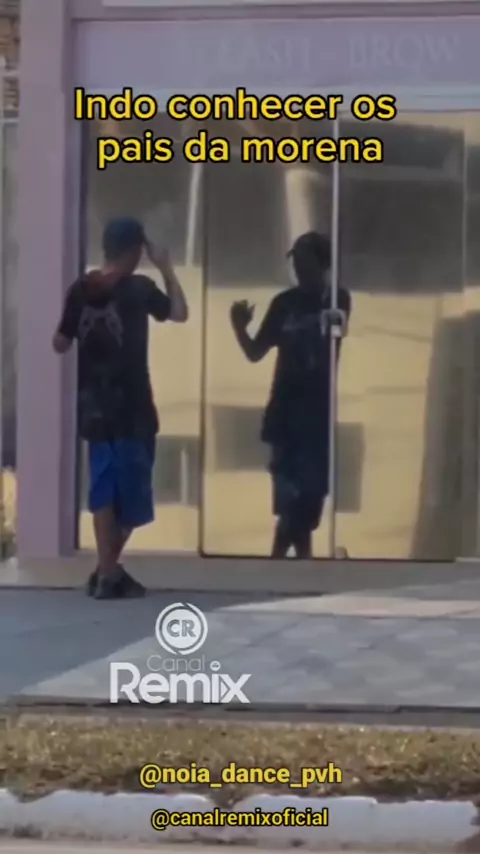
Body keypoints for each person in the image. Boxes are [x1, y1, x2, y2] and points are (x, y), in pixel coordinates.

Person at [53, 217, 188, 598]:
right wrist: (166, 267)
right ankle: (108, 571)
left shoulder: (80, 290)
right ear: (135, 251)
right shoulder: (139, 288)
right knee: (131, 495)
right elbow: (179, 312)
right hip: (133, 409)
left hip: (93, 407)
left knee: (103, 489)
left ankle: (106, 572)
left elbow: (59, 343)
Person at [230, 232, 351, 559]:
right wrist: (239, 327)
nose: (298, 268)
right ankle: (293, 563)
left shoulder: (336, 299)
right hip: (284, 412)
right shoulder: (283, 303)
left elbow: (332, 340)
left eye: (304, 260)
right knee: (289, 502)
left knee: (307, 501)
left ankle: (286, 562)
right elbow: (256, 352)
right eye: (294, 260)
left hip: (315, 414)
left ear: (322, 264)